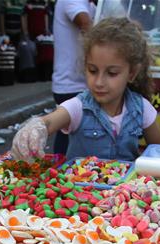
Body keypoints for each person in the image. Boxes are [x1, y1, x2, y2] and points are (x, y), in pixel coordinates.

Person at [12, 17, 160, 162]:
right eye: (92, 70)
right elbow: (50, 122)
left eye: (112, 73)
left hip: (126, 188)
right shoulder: (78, 107)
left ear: (131, 73)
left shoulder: (141, 108)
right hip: (79, 187)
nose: (99, 82)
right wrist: (36, 128)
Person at [50, 0, 94, 155]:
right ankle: (59, 171)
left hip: (82, 84)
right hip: (70, 85)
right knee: (68, 137)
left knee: (70, 135)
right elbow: (85, 23)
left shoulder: (91, 6)